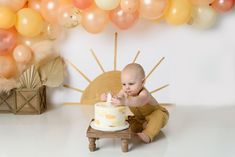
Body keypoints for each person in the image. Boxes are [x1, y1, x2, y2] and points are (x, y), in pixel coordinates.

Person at [101, 63, 169, 143]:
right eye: (124, 84)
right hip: (140, 119)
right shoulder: (125, 91)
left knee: (158, 117)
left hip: (156, 114)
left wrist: (125, 101)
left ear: (142, 82)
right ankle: (144, 126)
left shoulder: (144, 94)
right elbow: (118, 98)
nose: (127, 87)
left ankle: (148, 134)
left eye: (131, 84)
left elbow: (138, 101)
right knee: (127, 122)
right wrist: (108, 98)